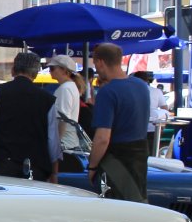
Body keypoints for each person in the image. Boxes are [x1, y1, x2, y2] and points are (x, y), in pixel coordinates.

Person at [86, 42, 153, 202]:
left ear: (100, 62)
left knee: (115, 208)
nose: (96, 69)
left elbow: (102, 138)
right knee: (136, 204)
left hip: (117, 161)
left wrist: (92, 166)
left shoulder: (108, 92)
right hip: (140, 157)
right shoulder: (141, 86)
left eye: (95, 64)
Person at [0, 52, 55, 181]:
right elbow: (52, 140)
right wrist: (54, 172)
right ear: (35, 74)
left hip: (3, 164)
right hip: (35, 167)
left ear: (13, 70)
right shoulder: (47, 99)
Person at [47, 54, 85, 174]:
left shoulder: (65, 89)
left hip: (64, 146)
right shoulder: (70, 87)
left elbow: (63, 119)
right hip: (68, 144)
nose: (50, 71)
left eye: (52, 68)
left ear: (64, 70)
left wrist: (56, 146)